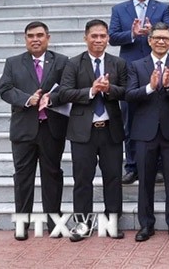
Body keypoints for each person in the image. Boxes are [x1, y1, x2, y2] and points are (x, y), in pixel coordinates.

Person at [51, 19, 127, 241]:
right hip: (83, 131)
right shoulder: (73, 63)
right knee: (82, 180)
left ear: (108, 39)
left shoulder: (118, 63)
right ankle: (82, 225)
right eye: (94, 36)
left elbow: (125, 90)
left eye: (103, 36)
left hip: (111, 130)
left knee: (113, 178)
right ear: (86, 38)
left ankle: (111, 223)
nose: (99, 40)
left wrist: (109, 89)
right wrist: (92, 91)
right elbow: (64, 93)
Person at [0, 21, 69, 240]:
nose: (35, 39)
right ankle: (22, 225)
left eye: (39, 35)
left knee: (52, 176)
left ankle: (54, 223)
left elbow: (67, 89)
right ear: (25, 39)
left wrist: (52, 98)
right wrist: (28, 99)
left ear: (48, 37)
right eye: (31, 36)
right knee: (23, 179)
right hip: (23, 131)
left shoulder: (61, 61)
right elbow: (5, 89)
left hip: (51, 129)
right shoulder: (13, 63)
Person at [109, 0, 169, 185]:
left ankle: (158, 167)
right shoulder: (120, 10)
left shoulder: (161, 8)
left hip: (156, 66)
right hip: (129, 69)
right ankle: (132, 166)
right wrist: (132, 34)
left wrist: (154, 31)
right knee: (130, 116)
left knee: (158, 116)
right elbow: (112, 37)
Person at [125, 23, 169, 242]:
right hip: (144, 132)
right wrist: (150, 87)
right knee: (145, 181)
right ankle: (146, 225)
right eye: (157, 38)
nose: (161, 42)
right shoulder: (136, 66)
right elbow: (130, 95)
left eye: (165, 38)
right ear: (149, 40)